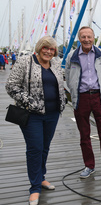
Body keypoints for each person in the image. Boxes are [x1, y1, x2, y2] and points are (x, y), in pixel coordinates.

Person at [6, 36, 66, 205]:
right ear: (39, 48)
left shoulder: (55, 63)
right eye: (45, 48)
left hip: (53, 113)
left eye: (52, 49)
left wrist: (63, 100)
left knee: (45, 147)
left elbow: (59, 85)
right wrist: (30, 101)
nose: (48, 51)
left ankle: (41, 178)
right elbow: (11, 85)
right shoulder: (26, 62)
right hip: (31, 115)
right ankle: (34, 188)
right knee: (35, 148)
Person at [65, 26, 101, 181]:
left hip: (99, 98)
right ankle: (89, 166)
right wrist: (74, 92)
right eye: (83, 37)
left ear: (93, 38)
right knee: (84, 135)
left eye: (89, 37)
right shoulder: (71, 56)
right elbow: (68, 76)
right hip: (81, 98)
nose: (86, 40)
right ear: (79, 39)